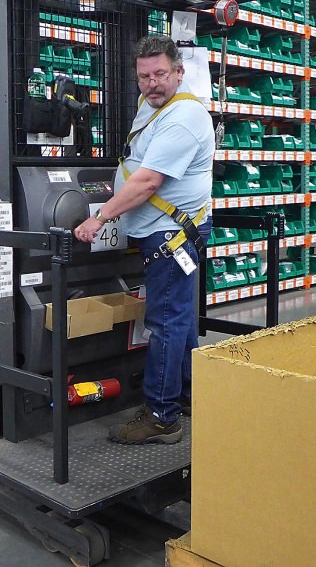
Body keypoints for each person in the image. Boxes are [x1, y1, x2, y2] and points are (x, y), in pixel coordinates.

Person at [74, 34, 214, 445]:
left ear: (179, 72)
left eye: (160, 74)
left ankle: (161, 416)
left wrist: (100, 216)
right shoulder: (153, 103)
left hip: (171, 237)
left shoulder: (184, 117)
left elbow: (149, 179)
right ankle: (185, 395)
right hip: (165, 232)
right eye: (144, 76)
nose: (152, 83)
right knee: (180, 319)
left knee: (166, 323)